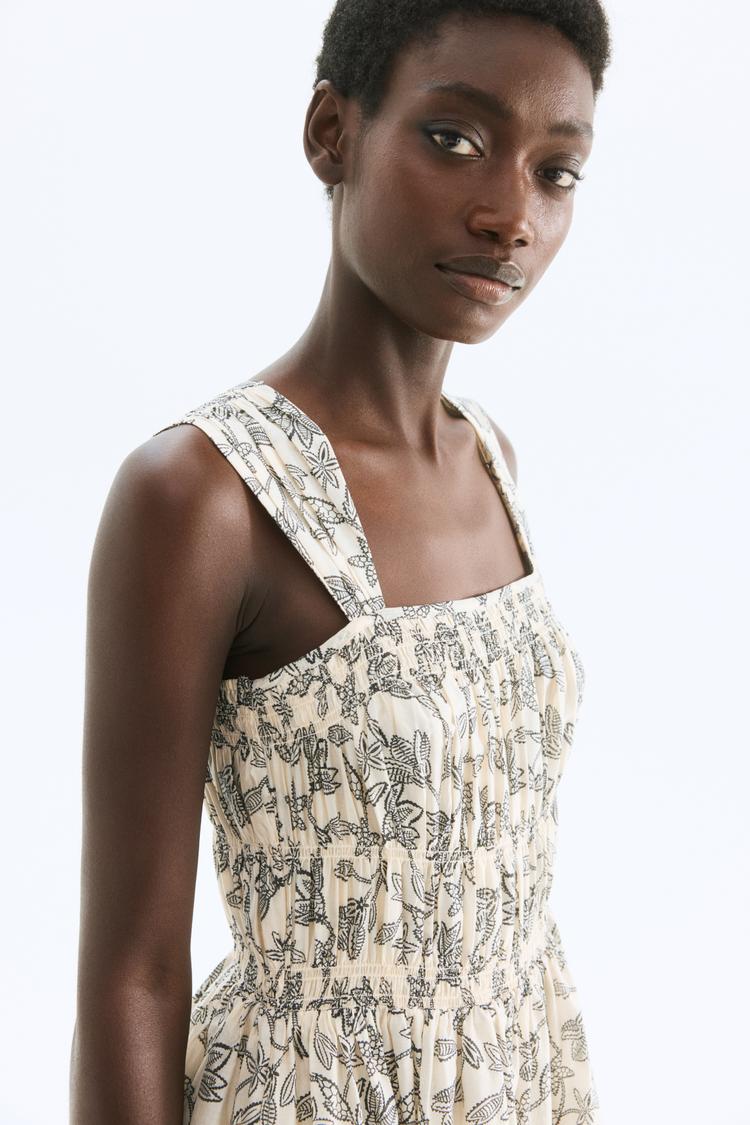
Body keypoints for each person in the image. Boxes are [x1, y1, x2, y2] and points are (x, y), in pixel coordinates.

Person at [70, 1, 612, 1122]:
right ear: (333, 133)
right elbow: (131, 975)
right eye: (455, 139)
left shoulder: (490, 460)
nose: (509, 214)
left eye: (555, 172)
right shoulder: (205, 495)